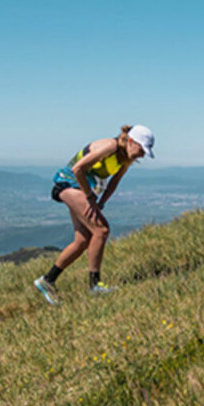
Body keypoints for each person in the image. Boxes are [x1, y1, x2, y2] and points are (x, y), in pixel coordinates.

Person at [33, 125, 155, 305]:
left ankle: (47, 280)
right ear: (130, 141)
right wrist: (90, 197)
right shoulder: (110, 147)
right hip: (68, 184)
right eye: (141, 149)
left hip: (80, 189)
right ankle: (95, 285)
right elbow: (77, 169)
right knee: (101, 230)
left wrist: (101, 202)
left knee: (82, 240)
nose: (143, 155)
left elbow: (114, 182)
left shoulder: (125, 158)